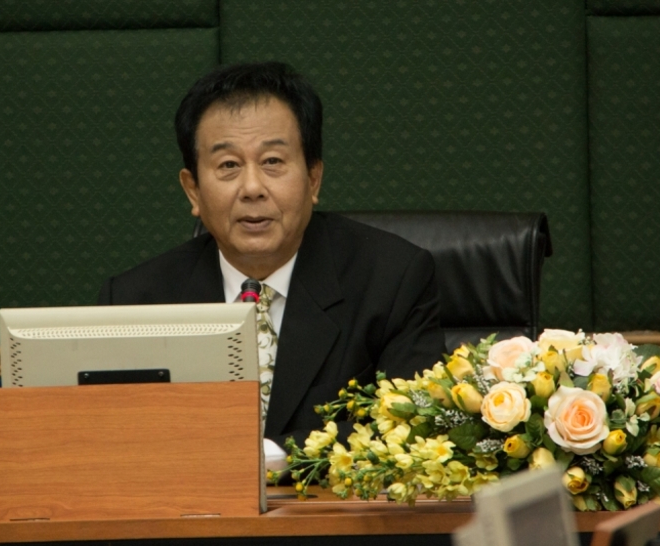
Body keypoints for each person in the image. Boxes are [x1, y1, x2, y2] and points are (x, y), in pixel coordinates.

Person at [98, 62, 446, 460]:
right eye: (228, 165)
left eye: (273, 162)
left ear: (313, 179)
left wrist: (269, 456)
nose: (252, 188)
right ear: (192, 190)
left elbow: (410, 424)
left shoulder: (392, 279)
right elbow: (117, 441)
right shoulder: (137, 302)